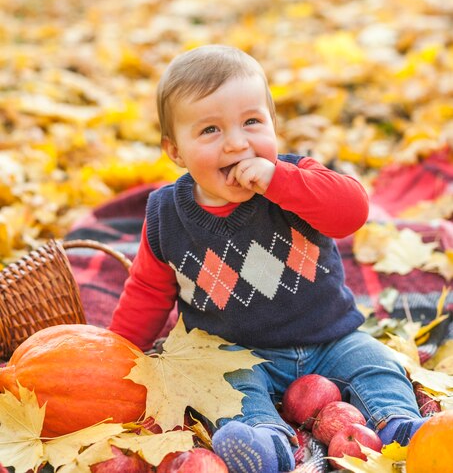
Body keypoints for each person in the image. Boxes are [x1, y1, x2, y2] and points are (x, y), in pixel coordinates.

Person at [109, 45, 426, 473]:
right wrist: (117, 358)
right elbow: (147, 292)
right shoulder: (166, 216)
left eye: (252, 122)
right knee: (228, 392)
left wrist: (282, 182)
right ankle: (265, 446)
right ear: (175, 151)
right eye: (210, 131)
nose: (237, 143)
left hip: (330, 337)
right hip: (236, 353)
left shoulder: (298, 181)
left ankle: (401, 429)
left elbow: (352, 211)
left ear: (273, 125)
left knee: (376, 366)